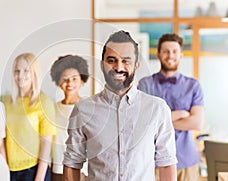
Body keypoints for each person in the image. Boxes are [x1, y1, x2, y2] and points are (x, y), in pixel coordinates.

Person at [63, 30, 177, 181]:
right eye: (111, 60)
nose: (118, 67)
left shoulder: (157, 109)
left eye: (126, 61)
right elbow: (72, 162)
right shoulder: (83, 109)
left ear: (136, 66)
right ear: (102, 65)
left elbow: (166, 163)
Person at [138, 33, 204, 181]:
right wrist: (180, 114)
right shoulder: (145, 84)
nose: (170, 55)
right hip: (153, 162)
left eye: (174, 51)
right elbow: (143, 123)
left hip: (187, 161)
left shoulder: (193, 85)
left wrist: (161, 123)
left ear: (181, 55)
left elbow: (196, 123)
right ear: (158, 55)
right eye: (166, 51)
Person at [1, 53, 56, 181]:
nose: (20, 75)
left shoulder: (44, 103)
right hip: (9, 169)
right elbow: (2, 137)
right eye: (17, 71)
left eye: (26, 71)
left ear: (34, 73)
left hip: (33, 170)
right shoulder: (6, 102)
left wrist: (39, 178)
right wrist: (3, 168)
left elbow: (46, 144)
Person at [50, 55, 89, 181]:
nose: (69, 83)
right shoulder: (52, 109)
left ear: (82, 81)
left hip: (81, 171)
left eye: (74, 79)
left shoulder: (88, 107)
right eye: (65, 79)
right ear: (58, 81)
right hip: (57, 169)